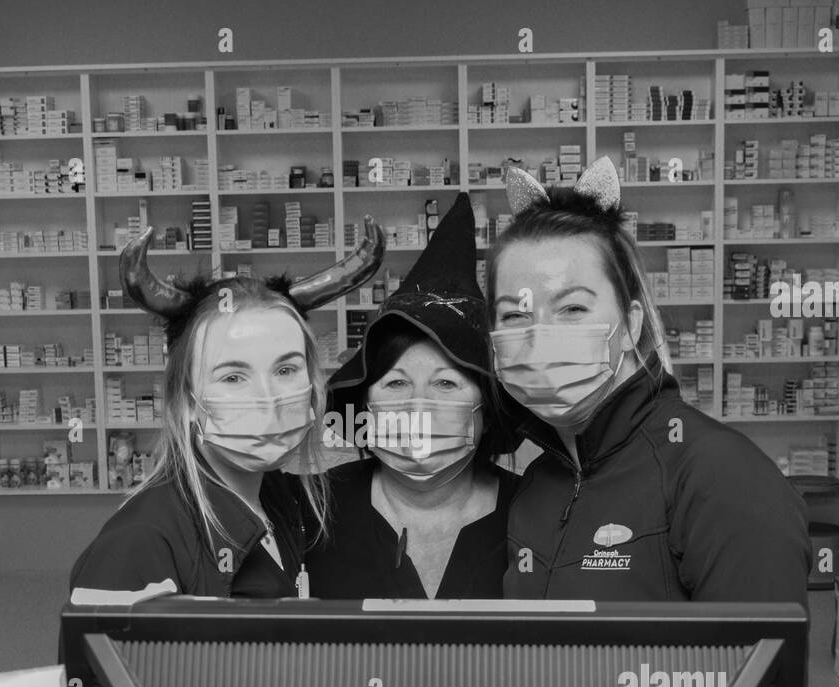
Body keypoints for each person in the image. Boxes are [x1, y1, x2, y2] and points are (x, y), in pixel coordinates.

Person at [489, 160, 812, 605]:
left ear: (630, 324)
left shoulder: (723, 480)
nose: (539, 334)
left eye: (573, 309)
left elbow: (760, 672)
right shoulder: (538, 483)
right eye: (514, 315)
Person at [68, 218, 385, 599]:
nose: (268, 398)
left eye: (285, 369)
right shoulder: (137, 546)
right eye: (233, 377)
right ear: (185, 402)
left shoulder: (282, 500)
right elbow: (104, 659)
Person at [307, 194, 520, 599]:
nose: (417, 407)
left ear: (487, 411)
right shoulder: (311, 508)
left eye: (445, 383)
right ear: (365, 407)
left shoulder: (535, 514)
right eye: (396, 383)